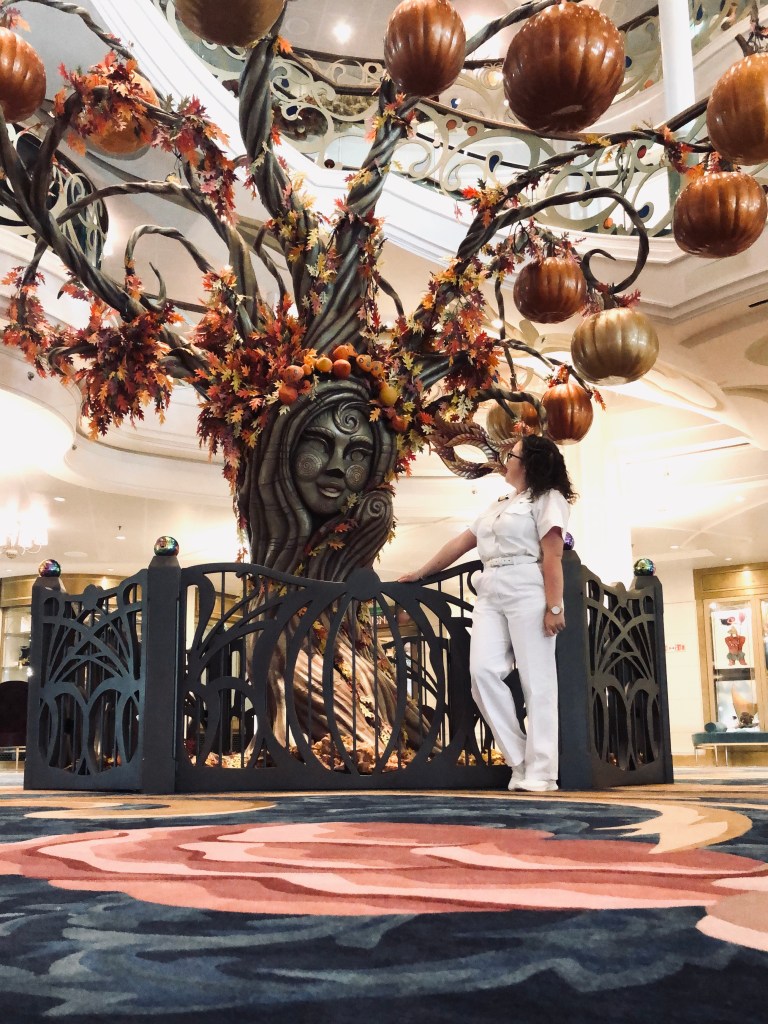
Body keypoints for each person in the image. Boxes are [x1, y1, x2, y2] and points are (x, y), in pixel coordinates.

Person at [398, 433, 577, 792]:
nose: (504, 458)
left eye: (511, 454)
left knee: (536, 681)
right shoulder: (498, 503)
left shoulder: (548, 499)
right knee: (481, 673)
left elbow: (553, 556)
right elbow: (460, 543)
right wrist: (420, 573)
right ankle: (520, 759)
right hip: (490, 588)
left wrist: (554, 606)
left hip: (527, 586)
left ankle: (542, 772)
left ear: (529, 463)